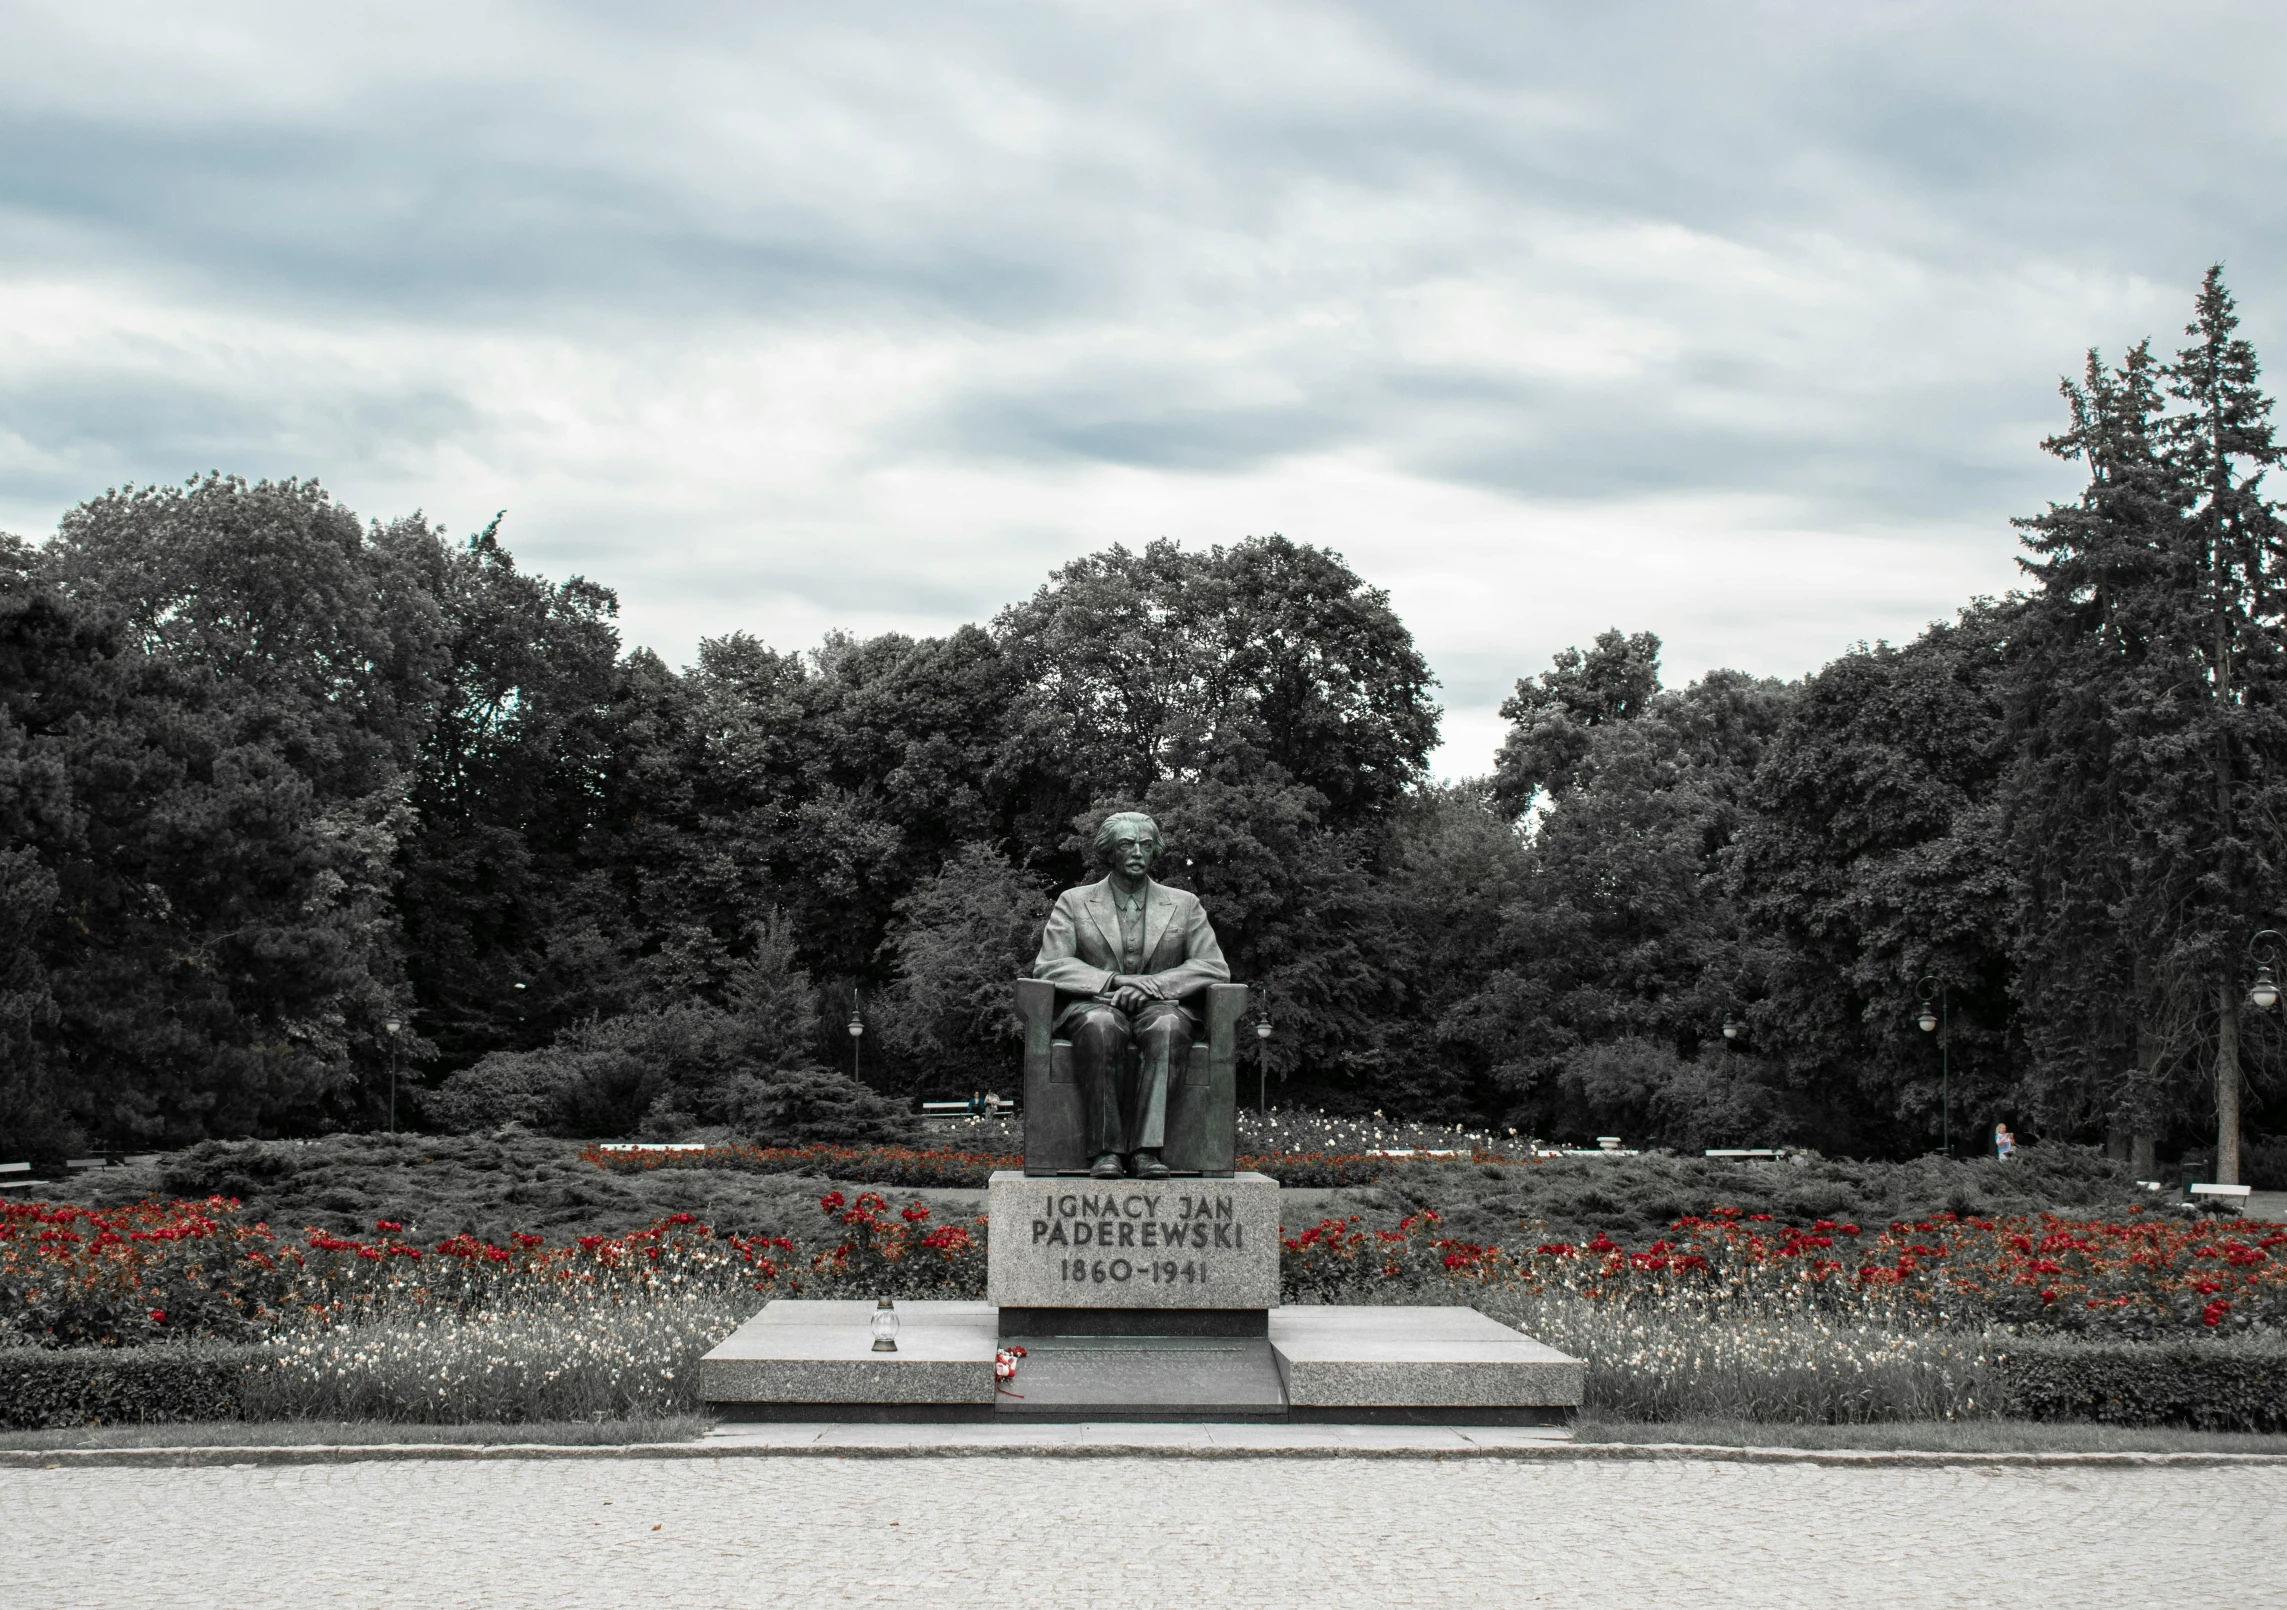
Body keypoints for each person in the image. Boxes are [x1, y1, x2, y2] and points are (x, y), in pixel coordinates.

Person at [1030, 811, 1229, 1180]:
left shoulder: (1184, 904)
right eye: (1127, 844)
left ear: (1154, 852)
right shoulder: (1074, 902)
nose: (1137, 852)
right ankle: (1106, 1151)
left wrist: (1155, 985)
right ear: (1110, 851)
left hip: (1163, 1005)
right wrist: (1115, 981)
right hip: (1096, 1003)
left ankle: (1145, 1151)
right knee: (1101, 1025)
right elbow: (1051, 965)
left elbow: (1213, 966)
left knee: (1169, 1027)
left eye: (1146, 845)